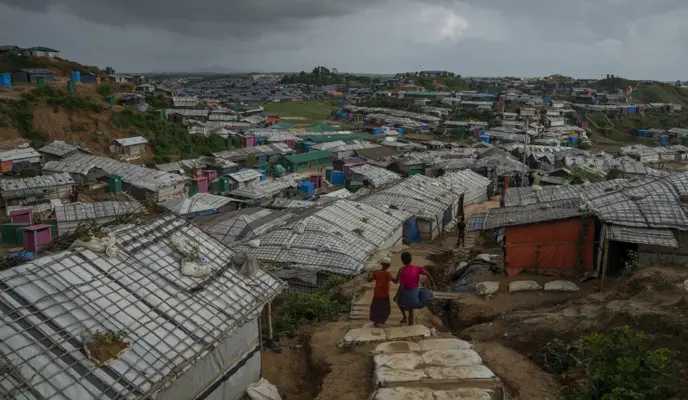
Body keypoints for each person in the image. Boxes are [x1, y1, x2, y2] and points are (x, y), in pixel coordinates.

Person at [394, 252, 434, 326]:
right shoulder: (417, 268)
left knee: (399, 301)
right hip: (415, 293)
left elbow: (401, 286)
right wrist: (432, 283)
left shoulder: (401, 271)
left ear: (402, 261)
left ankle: (404, 317)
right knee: (411, 309)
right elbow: (427, 274)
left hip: (407, 294)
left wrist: (396, 295)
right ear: (411, 259)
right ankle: (410, 325)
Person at [368, 257, 394, 327]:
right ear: (389, 266)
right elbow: (395, 281)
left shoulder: (376, 272)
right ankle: (380, 320)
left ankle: (376, 321)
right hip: (385, 295)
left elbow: (369, 280)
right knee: (386, 309)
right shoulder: (388, 274)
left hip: (377, 294)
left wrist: (369, 275)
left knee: (375, 308)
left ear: (381, 264)